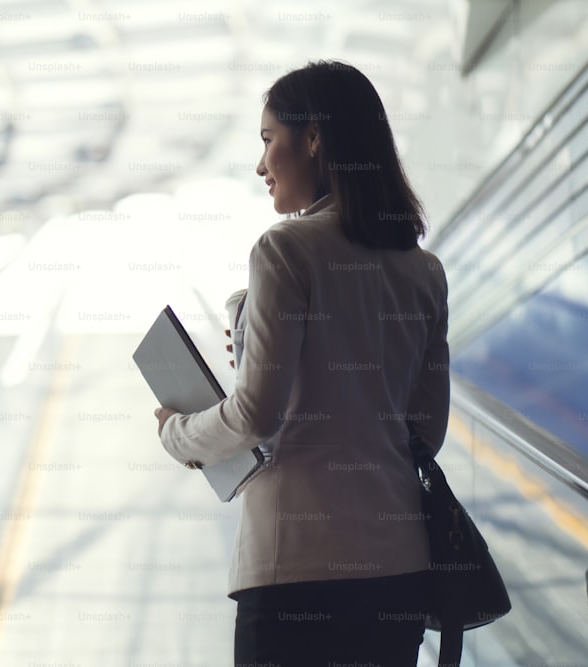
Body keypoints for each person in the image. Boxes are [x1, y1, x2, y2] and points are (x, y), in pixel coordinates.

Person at [153, 60, 450, 666]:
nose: (261, 165)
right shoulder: (424, 271)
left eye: (268, 140)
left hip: (297, 571)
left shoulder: (283, 249)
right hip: (397, 572)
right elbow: (426, 431)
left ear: (313, 138)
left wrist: (177, 433)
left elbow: (256, 417)